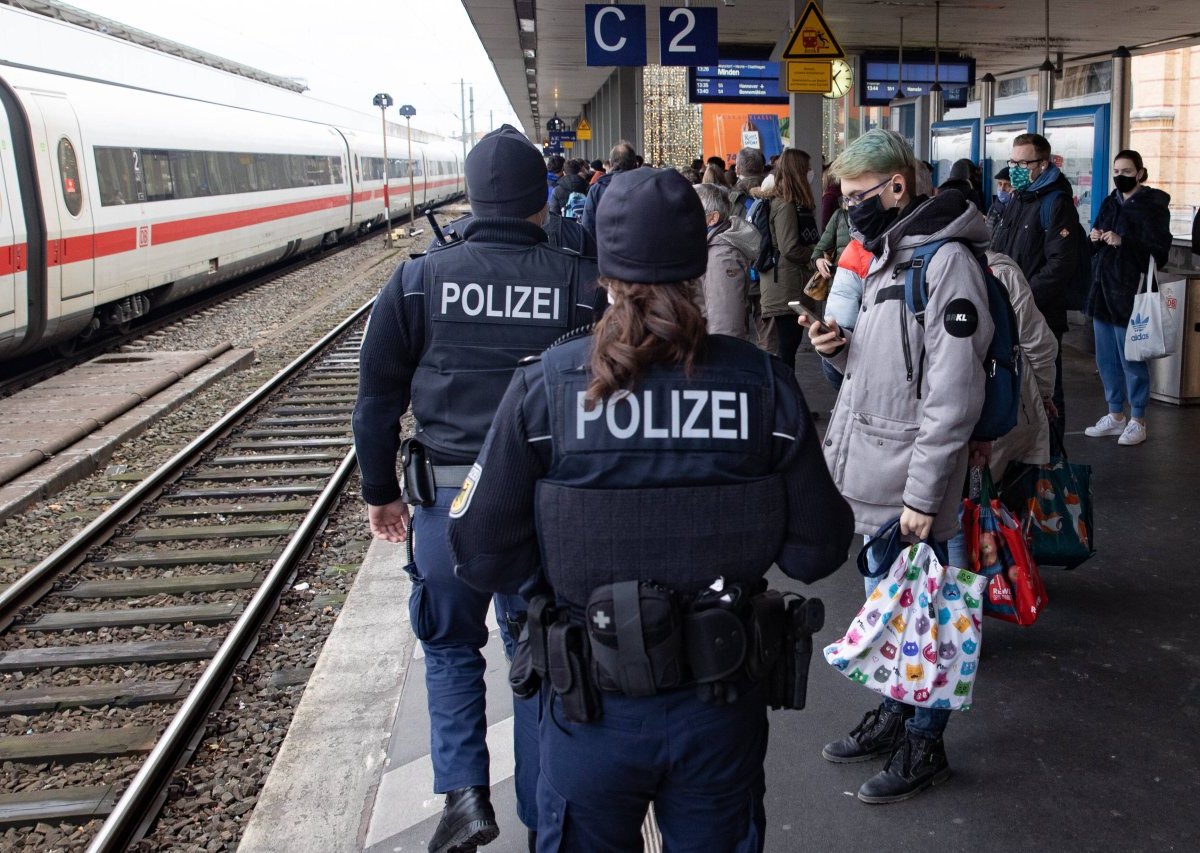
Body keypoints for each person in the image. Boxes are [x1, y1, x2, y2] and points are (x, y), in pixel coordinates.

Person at [446, 166, 854, 850]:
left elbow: (479, 547)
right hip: (719, 708)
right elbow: (818, 550)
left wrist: (555, 580)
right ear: (701, 263)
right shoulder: (763, 388)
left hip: (587, 707)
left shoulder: (548, 388)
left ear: (605, 272)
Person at [353, 125, 601, 853]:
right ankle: (537, 811)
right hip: (541, 510)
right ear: (540, 198)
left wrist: (380, 491)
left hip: (445, 504)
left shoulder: (418, 278)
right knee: (537, 649)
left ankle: (463, 795)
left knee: (450, 643)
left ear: (472, 195)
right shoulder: (575, 278)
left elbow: (375, 397)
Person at [803, 128, 993, 803]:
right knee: (893, 611)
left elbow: (954, 395)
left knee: (933, 616)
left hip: (919, 487)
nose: (849, 208)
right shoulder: (887, 256)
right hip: (879, 476)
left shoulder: (947, 265)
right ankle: (895, 714)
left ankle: (925, 743)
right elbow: (869, 373)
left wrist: (921, 498)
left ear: (897, 186)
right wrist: (833, 349)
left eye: (857, 196)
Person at [1082, 149, 1174, 446]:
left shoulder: (1152, 207)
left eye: (1126, 171)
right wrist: (1095, 238)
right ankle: (1115, 414)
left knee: (1132, 358)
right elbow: (1095, 237)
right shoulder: (1111, 202)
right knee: (1106, 358)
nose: (1120, 176)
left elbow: (1158, 251)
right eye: (1117, 171)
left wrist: (1124, 242)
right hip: (1102, 291)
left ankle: (1138, 417)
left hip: (1130, 293)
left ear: (1140, 172)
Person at [989, 132, 1079, 434]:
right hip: (1009, 309)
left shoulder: (1056, 204)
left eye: (1022, 162)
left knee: (1047, 389)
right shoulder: (1018, 198)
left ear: (1043, 163)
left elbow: (1060, 265)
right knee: (1015, 384)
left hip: (1040, 313)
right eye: (1011, 161)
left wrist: (1021, 299)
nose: (1014, 168)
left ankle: (1052, 461)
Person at [763, 148, 821, 371]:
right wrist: (816, 255)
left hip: (789, 283)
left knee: (788, 349)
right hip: (786, 287)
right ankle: (785, 400)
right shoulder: (786, 204)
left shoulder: (792, 203)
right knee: (787, 351)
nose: (811, 173)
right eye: (807, 169)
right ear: (798, 172)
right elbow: (790, 248)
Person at [695, 182, 757, 339]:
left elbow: (726, 326)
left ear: (713, 218)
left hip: (712, 355)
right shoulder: (709, 248)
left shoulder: (721, 258)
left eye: (691, 211)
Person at [580, 141, 637, 238]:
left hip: (606, 247)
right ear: (635, 163)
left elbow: (588, 225)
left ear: (610, 163)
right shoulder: (645, 185)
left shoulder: (597, 189)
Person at [986, 167, 1013, 234]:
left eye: (1007, 185)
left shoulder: (1016, 209)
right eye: (1000, 184)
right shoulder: (994, 207)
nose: (1002, 189)